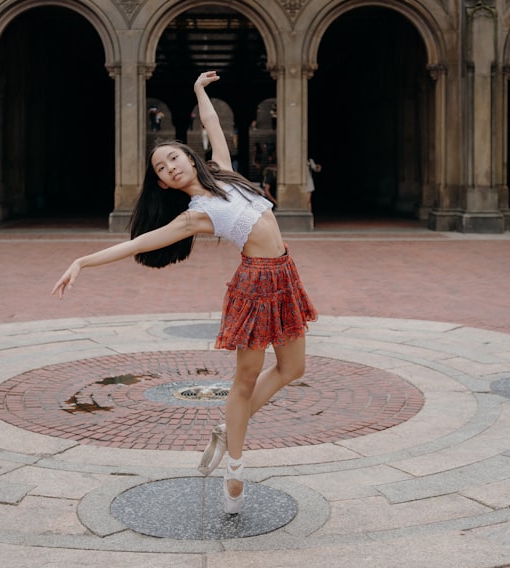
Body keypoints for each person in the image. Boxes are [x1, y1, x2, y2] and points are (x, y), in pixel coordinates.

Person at [52, 70, 318, 515]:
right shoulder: (196, 215)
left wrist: (198, 91)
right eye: (162, 168)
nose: (171, 166)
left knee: (293, 367)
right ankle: (234, 467)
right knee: (246, 379)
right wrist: (82, 261)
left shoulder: (227, 175)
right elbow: (137, 243)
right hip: (254, 286)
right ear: (163, 184)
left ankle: (229, 426)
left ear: (189, 158)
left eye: (173, 158)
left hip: (285, 275)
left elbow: (213, 126)